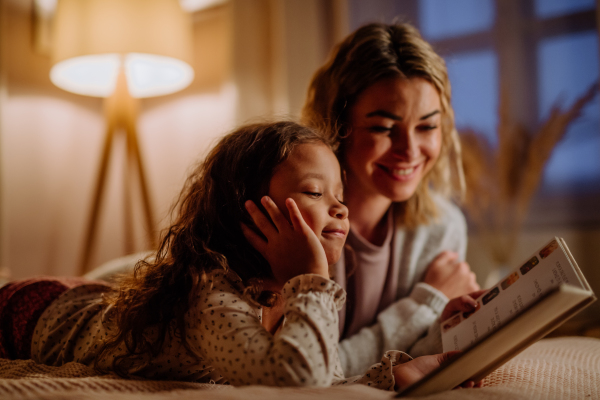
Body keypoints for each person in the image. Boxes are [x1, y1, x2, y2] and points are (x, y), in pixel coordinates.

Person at [0, 121, 465, 391]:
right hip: (31, 311)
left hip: (89, 299)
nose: (340, 207)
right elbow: (299, 381)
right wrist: (311, 278)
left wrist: (399, 375)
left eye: (339, 193)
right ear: (245, 207)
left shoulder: (285, 289)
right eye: (315, 191)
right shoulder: (209, 295)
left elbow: (324, 374)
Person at [301, 22, 481, 377]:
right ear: (338, 125)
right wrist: (427, 301)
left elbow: (412, 357)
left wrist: (444, 327)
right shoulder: (300, 222)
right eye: (384, 128)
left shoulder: (443, 228)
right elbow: (314, 371)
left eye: (427, 126)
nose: (410, 151)